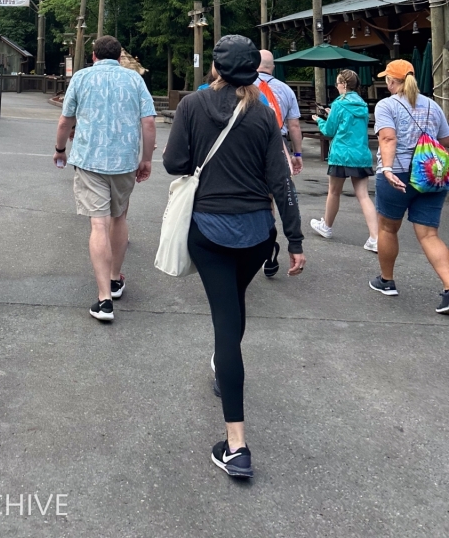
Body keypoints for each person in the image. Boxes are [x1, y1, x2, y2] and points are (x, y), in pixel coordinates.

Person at [163, 35, 305, 479]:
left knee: (226, 323)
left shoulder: (191, 106)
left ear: (216, 69)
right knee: (234, 307)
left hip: (210, 229)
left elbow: (174, 163)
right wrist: (295, 240)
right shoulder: (265, 115)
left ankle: (237, 445)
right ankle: (226, 368)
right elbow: (281, 181)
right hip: (257, 234)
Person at [53, 34, 156, 322]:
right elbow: (148, 121)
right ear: (119, 56)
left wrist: (60, 149)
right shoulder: (135, 80)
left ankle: (104, 300)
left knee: (98, 224)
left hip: (89, 160)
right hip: (124, 161)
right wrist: (146, 158)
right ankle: (114, 278)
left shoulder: (82, 78)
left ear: (94, 55)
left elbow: (65, 120)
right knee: (119, 217)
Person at [370, 59, 449, 312]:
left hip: (400, 173)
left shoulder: (386, 105)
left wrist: (389, 169)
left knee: (388, 228)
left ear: (391, 81)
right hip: (431, 174)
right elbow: (445, 139)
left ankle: (387, 281)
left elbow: (388, 137)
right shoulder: (433, 106)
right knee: (429, 234)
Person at [310, 70, 378, 251]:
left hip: (341, 154)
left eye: (338, 83)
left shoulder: (339, 104)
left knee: (334, 192)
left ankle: (327, 226)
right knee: (363, 195)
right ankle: (375, 237)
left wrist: (319, 120)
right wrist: (333, 113)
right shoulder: (362, 104)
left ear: (344, 85)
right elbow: (350, 123)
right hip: (360, 154)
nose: (336, 86)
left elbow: (329, 131)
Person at [257, 50, 304, 278]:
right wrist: (297, 153)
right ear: (272, 67)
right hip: (279, 145)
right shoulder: (286, 90)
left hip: (251, 146)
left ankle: (263, 243)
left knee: (260, 198)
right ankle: (272, 246)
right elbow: (294, 125)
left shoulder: (243, 86)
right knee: (279, 194)